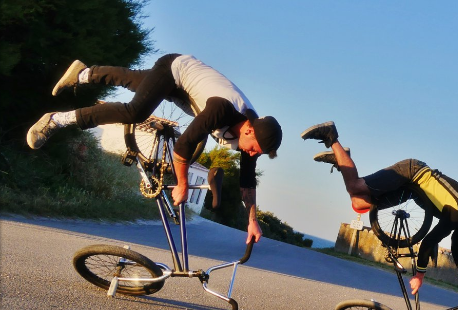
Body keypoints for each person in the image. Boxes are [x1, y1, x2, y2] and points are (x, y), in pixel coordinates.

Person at [26, 54, 283, 244]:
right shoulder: (221, 109)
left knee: (135, 82)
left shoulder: (254, 133)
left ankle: (82, 73)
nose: (252, 154)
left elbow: (247, 182)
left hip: (188, 90)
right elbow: (183, 145)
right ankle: (56, 119)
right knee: (135, 112)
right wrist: (182, 184)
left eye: (257, 154)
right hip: (176, 68)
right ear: (248, 130)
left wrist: (252, 221)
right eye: (254, 150)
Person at [300, 121, 458, 296]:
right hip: (412, 172)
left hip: (412, 191)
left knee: (359, 203)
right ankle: (331, 136)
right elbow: (430, 241)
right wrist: (419, 276)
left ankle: (342, 158)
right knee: (355, 186)